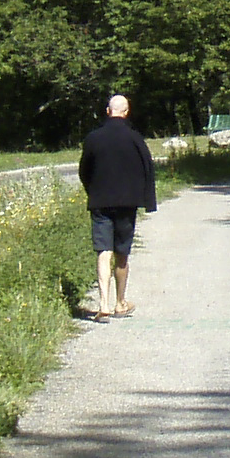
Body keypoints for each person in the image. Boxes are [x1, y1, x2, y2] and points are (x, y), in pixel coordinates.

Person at [77, 92, 158, 317]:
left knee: (104, 251)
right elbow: (148, 169)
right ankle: (120, 302)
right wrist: (148, 200)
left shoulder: (93, 138)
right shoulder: (135, 138)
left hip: (100, 202)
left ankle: (103, 304)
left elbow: (84, 170)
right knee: (122, 253)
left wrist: (91, 191)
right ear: (126, 111)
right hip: (127, 203)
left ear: (107, 111)